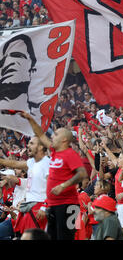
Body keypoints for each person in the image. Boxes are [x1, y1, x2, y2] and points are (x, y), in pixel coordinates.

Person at [20, 111, 87, 240]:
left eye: (55, 134)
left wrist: (64, 185)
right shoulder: (55, 152)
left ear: (64, 139)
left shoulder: (70, 154)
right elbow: (40, 134)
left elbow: (82, 173)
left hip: (68, 205)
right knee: (52, 237)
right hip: (53, 205)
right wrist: (30, 119)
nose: (52, 136)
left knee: (65, 238)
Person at [0, 136, 50, 236]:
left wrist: (44, 207)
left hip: (39, 208)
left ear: (40, 147)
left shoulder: (47, 164)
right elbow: (14, 163)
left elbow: (52, 188)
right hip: (29, 208)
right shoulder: (32, 162)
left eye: (32, 143)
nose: (28, 145)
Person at [0, 34, 38, 113]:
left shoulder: (37, 112)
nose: (9, 62)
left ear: (31, 66)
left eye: (17, 55)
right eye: (5, 58)